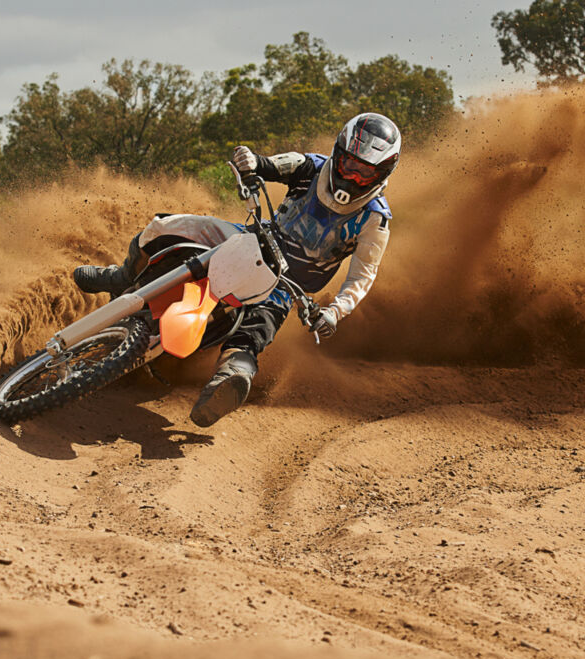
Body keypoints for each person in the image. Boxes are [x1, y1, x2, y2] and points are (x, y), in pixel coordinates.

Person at [73, 112, 401, 427]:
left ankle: (231, 378)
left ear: (382, 174)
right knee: (167, 226)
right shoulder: (311, 166)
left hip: (285, 284)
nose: (353, 177)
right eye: (349, 164)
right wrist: (251, 161)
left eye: (365, 173)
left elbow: (362, 277)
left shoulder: (375, 219)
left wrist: (334, 313)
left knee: (257, 330)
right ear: (338, 152)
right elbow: (270, 164)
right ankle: (123, 276)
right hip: (251, 238)